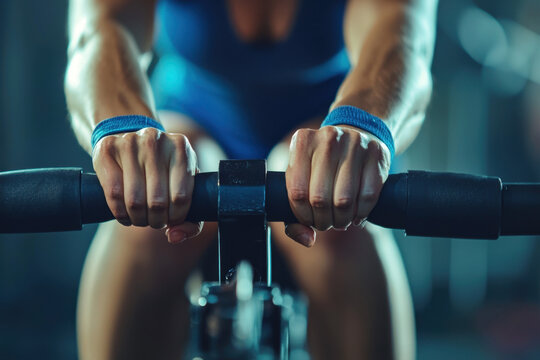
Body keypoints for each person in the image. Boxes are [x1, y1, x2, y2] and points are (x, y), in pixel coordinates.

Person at [64, 0, 437, 359]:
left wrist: (365, 125)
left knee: (341, 227)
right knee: (145, 219)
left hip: (328, 125)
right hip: (194, 117)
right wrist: (123, 129)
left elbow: (402, 35)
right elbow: (100, 28)